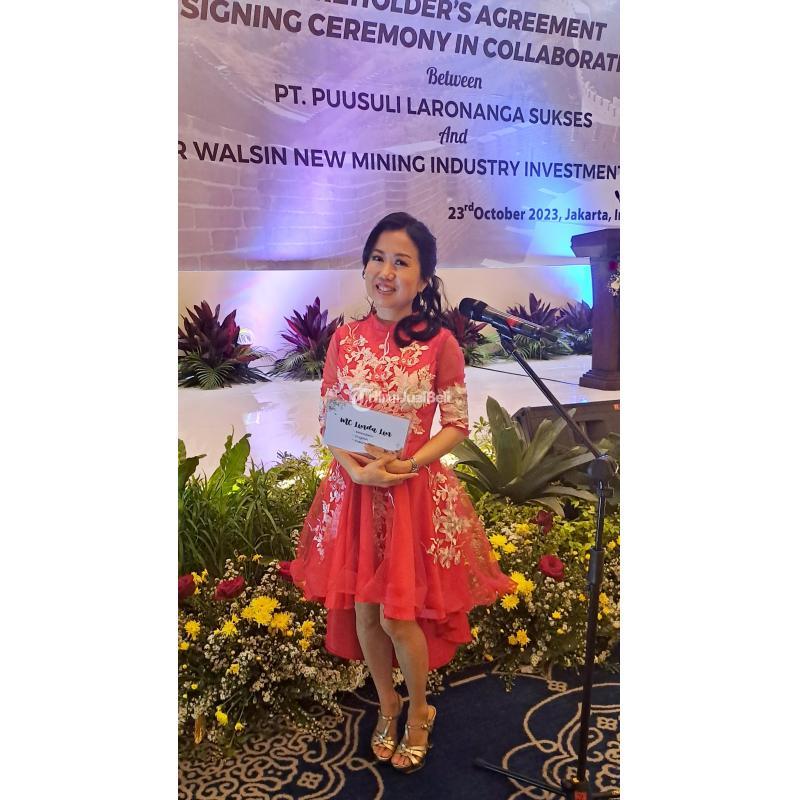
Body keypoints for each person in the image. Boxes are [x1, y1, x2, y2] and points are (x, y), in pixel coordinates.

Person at [288, 212, 516, 773]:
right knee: (366, 615)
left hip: (411, 494)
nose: (386, 272)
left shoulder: (440, 343)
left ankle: (419, 710)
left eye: (401, 262)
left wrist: (408, 463)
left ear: (423, 278)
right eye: (378, 258)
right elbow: (331, 418)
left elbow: (456, 424)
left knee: (398, 618)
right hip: (356, 492)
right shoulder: (345, 339)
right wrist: (355, 470)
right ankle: (386, 704)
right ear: (365, 266)